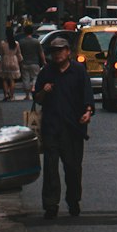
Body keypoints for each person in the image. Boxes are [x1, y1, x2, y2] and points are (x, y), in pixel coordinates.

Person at [34, 35, 94, 219]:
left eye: (61, 50)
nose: (57, 54)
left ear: (68, 52)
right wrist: (44, 90)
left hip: (73, 128)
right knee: (51, 168)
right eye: (54, 51)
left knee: (73, 168)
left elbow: (88, 96)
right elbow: (37, 98)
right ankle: (51, 205)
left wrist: (88, 111)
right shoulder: (46, 72)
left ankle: (73, 200)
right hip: (51, 127)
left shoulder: (78, 71)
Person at [18, 24, 43, 100]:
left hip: (24, 63)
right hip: (35, 62)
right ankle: (33, 87)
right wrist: (44, 61)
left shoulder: (21, 42)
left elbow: (19, 53)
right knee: (35, 77)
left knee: (26, 78)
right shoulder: (36, 41)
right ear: (32, 32)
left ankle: (27, 95)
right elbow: (41, 52)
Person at [0, 27, 21, 102]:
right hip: (14, 61)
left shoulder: (3, 43)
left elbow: (1, 54)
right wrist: (20, 61)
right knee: (12, 79)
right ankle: (11, 95)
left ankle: (6, 95)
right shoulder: (16, 43)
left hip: (5, 60)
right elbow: (19, 54)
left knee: (4, 79)